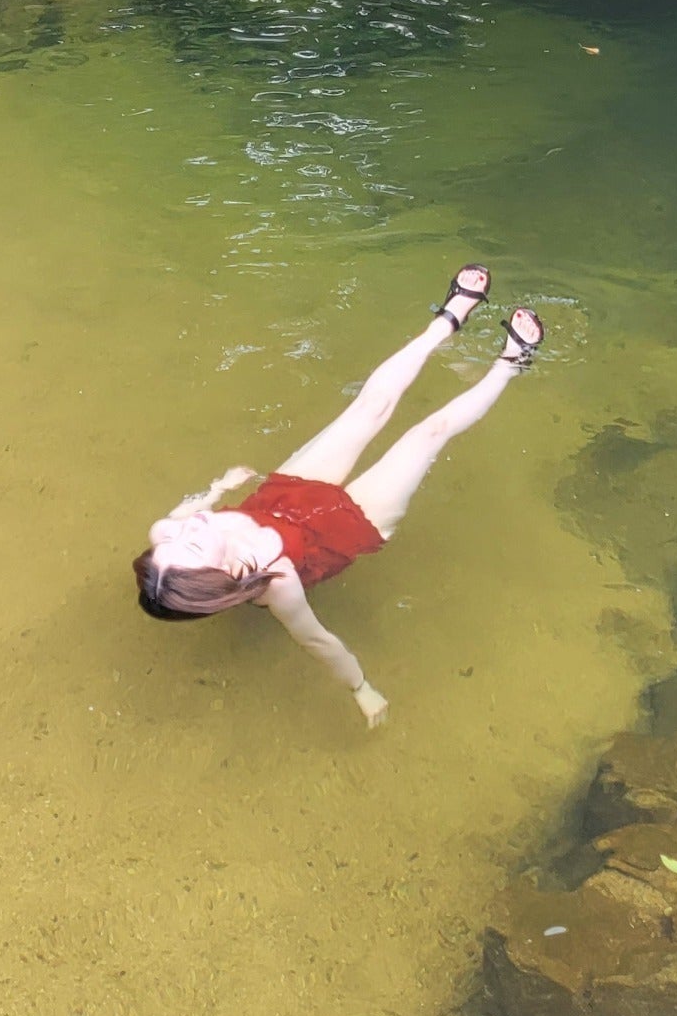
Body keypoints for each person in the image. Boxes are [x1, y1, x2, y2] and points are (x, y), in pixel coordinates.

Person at [133, 269, 542, 724]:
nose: (183, 527)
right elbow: (317, 640)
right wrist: (362, 688)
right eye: (190, 543)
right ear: (224, 571)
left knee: (369, 406)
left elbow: (181, 515)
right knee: (426, 434)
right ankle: (511, 364)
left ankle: (446, 320)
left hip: (283, 498)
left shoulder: (167, 533)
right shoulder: (278, 583)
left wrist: (217, 489)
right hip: (342, 531)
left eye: (168, 541)